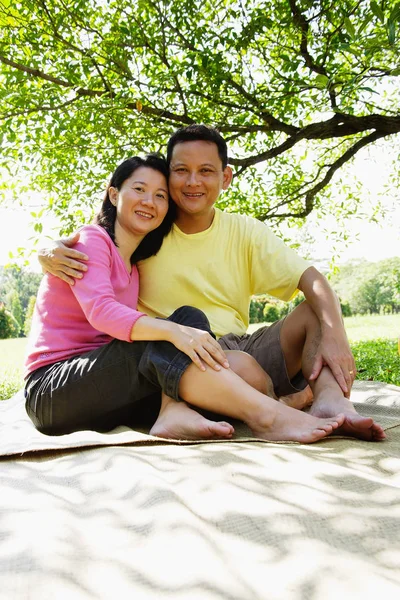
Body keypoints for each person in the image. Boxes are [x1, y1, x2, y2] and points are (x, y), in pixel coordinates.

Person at [38, 126, 385, 442]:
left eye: (205, 171)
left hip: (194, 352)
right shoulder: (139, 232)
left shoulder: (179, 235)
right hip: (153, 358)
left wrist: (336, 332)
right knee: (187, 328)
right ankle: (271, 410)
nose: (191, 182)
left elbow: (312, 278)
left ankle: (329, 402)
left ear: (225, 177)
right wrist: (49, 249)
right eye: (180, 172)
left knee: (315, 310)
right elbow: (96, 244)